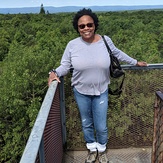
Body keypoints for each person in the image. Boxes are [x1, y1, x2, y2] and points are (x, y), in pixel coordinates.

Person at [48, 8, 147, 163]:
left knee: (101, 126)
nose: (86, 28)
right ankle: (91, 149)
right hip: (81, 91)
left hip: (101, 91)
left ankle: (101, 150)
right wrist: (54, 73)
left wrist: (135, 62)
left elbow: (118, 54)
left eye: (89, 24)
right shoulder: (72, 45)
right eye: (82, 26)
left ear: (95, 25)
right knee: (86, 123)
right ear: (78, 28)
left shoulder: (105, 41)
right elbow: (65, 66)